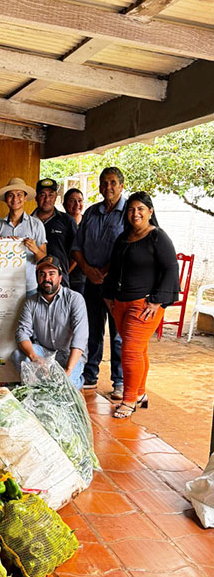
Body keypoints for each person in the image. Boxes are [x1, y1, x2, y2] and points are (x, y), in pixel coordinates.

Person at [103, 192, 179, 419]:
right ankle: (140, 394)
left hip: (144, 305)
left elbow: (171, 269)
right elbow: (114, 269)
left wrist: (157, 300)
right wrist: (108, 296)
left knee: (130, 351)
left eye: (140, 209)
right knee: (138, 350)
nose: (135, 213)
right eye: (131, 209)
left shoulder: (158, 237)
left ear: (150, 212)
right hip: (120, 303)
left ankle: (128, 401)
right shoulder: (123, 238)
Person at [71, 167, 126, 400]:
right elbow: (76, 247)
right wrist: (88, 270)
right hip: (91, 282)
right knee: (92, 330)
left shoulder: (129, 212)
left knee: (118, 334)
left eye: (113, 182)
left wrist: (104, 272)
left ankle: (120, 381)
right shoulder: (92, 212)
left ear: (121, 185)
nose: (108, 187)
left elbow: (128, 248)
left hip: (118, 285)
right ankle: (90, 374)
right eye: (104, 183)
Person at [10, 255, 88, 389]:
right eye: (42, 274)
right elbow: (22, 333)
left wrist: (68, 370)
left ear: (60, 277)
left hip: (68, 355)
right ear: (37, 278)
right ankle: (44, 382)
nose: (47, 278)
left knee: (63, 387)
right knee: (17, 356)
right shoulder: (31, 302)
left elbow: (80, 337)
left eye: (52, 274)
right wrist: (35, 358)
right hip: (44, 353)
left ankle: (76, 381)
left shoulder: (75, 299)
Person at [0, 177, 47, 297]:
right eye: (10, 195)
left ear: (25, 198)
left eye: (19, 195)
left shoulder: (36, 225)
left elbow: (43, 260)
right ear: (6, 199)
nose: (15, 199)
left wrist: (35, 249)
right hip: (2, 287)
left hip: (29, 287)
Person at [32, 178, 78, 288]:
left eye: (51, 195)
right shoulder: (27, 222)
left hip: (60, 284)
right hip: (32, 284)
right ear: (36, 197)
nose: (47, 199)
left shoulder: (67, 221)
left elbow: (76, 253)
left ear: (56, 196)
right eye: (42, 195)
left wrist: (62, 273)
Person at [63, 187, 86, 295]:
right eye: (72, 201)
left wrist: (65, 273)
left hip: (79, 278)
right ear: (64, 204)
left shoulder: (88, 223)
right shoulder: (60, 223)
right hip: (60, 278)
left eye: (80, 201)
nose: (77, 204)